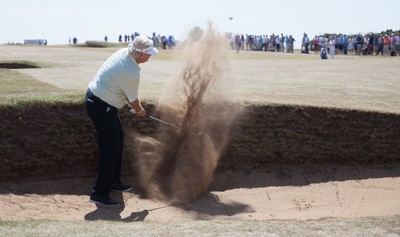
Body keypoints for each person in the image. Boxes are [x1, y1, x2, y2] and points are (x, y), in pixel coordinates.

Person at [85, 36, 158, 206]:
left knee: (118, 141)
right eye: (148, 54)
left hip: (101, 101)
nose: (150, 56)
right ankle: (99, 194)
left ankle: (113, 182)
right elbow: (133, 101)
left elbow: (121, 91)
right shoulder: (131, 71)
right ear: (140, 54)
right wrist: (140, 111)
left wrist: (134, 107)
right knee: (110, 151)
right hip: (101, 107)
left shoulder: (124, 53)